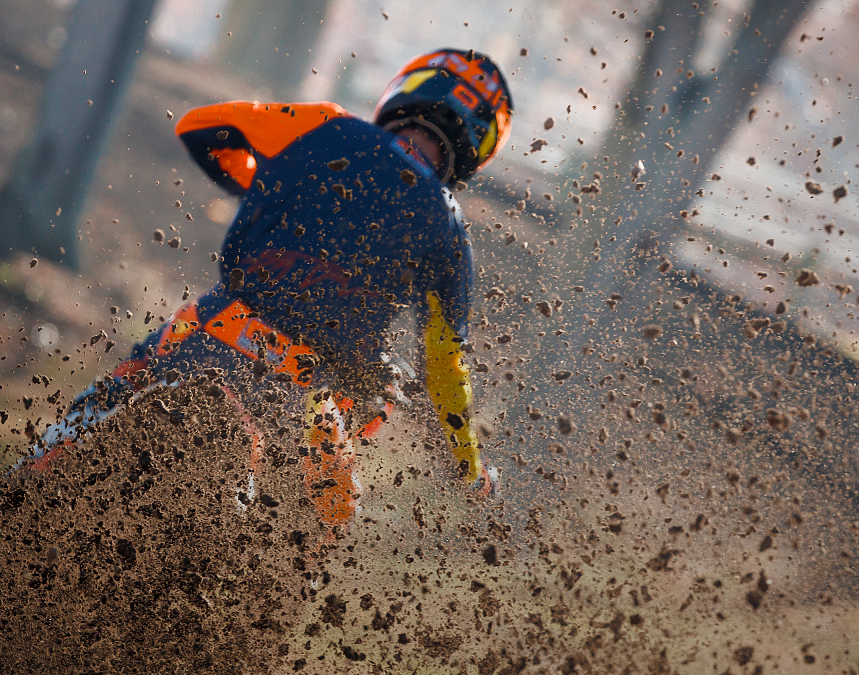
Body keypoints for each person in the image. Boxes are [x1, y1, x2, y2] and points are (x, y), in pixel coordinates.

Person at [28, 48, 513, 536]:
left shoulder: (323, 125)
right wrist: (469, 470)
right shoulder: (448, 227)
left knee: (84, 423)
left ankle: (15, 494)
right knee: (322, 534)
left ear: (405, 90)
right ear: (480, 147)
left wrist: (270, 186)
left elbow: (199, 127)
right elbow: (444, 366)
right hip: (305, 407)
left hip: (206, 337)